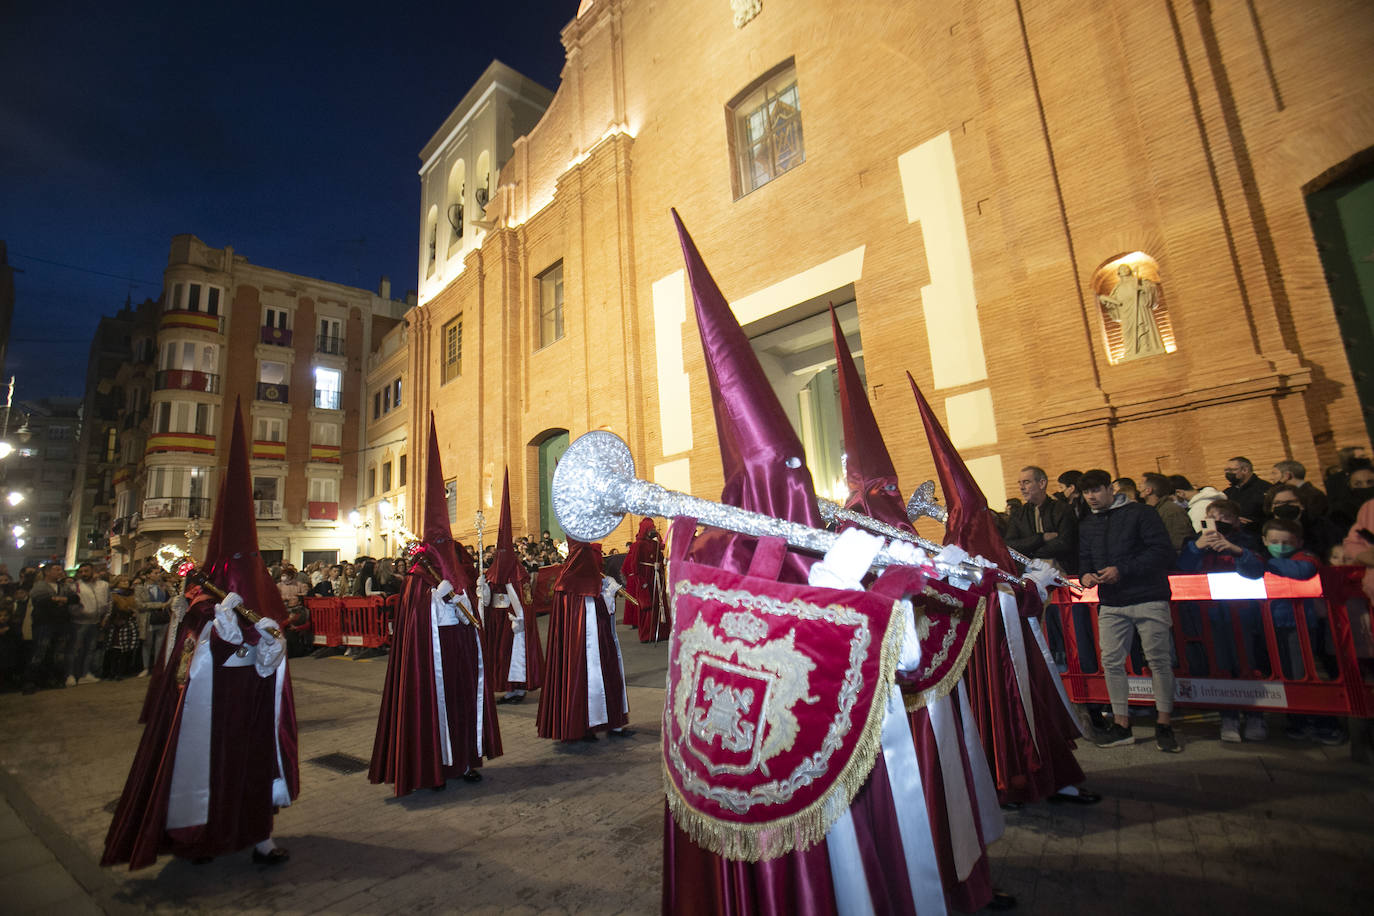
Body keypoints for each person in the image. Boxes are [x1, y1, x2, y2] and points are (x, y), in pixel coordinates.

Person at [662, 213, 1008, 915]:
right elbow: (741, 647)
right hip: (779, 760)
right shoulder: (717, 551)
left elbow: (902, 657)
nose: (797, 479)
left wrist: (906, 579)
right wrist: (843, 586)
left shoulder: (815, 533)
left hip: (855, 740)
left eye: (799, 465)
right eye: (786, 467)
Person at [103, 401, 297, 870]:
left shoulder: (259, 585)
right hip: (208, 703)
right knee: (205, 766)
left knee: (251, 767)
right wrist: (221, 621)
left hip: (252, 697)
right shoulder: (201, 595)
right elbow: (192, 645)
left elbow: (277, 643)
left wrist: (269, 640)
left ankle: (259, 836)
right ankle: (198, 836)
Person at [370, 417, 502, 795]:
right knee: (432, 706)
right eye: (438, 538)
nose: (445, 544)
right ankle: (433, 766)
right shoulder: (417, 576)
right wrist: (432, 598)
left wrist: (472, 595)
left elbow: (473, 611)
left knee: (462, 704)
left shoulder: (455, 564)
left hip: (459, 647)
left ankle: (463, 760)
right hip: (430, 655)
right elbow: (412, 619)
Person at [1077, 468, 1182, 753]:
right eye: (1087, 492)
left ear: (1111, 489)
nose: (1091, 497)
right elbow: (1084, 559)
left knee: (1158, 660)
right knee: (1111, 661)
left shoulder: (1141, 514)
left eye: (1096, 490)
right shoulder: (1088, 524)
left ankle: (1164, 723)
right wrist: (1086, 575)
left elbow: (1161, 551)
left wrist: (1122, 570)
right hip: (1112, 602)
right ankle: (1121, 724)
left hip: (1148, 596)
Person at [1236, 518, 1344, 745]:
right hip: (1270, 625)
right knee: (1286, 675)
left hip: (1301, 625)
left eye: (1287, 541)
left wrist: (1263, 563)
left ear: (1299, 542)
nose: (1280, 545)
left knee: (1306, 674)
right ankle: (1298, 719)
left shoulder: (1304, 558)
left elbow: (1304, 569)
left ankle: (1326, 723)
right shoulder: (1262, 558)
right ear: (1264, 540)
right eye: (1274, 541)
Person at [537, 539, 629, 742]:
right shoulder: (583, 583)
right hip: (592, 646)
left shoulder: (566, 580)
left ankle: (591, 723)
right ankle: (587, 723)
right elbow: (598, 612)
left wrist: (605, 588)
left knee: (587, 677)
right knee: (595, 676)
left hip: (586, 646)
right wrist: (609, 593)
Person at [484, 469, 543, 704]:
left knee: (514, 654)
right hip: (498, 620)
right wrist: (483, 590)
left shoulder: (518, 573)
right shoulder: (492, 570)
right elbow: (486, 599)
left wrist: (520, 617)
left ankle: (517, 688)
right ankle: (508, 687)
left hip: (511, 620)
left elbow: (523, 599)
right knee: (501, 655)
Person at [1004, 465, 1079, 574]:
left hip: (1061, 570)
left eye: (1026, 482)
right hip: (1028, 572)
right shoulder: (1019, 514)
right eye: (1019, 483)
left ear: (1042, 483)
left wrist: (1030, 551)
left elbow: (1065, 544)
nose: (1021, 487)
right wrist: (1041, 538)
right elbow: (1010, 546)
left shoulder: (1062, 510)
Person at [1097, 263, 1166, 360]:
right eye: (1122, 268)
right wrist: (1107, 301)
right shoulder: (1117, 287)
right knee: (1128, 333)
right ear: (1119, 273)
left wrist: (1141, 288)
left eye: (1126, 268)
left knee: (1142, 326)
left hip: (1139, 307)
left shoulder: (1138, 281)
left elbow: (1151, 288)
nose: (1124, 269)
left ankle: (1146, 347)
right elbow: (1116, 302)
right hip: (1126, 312)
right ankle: (1131, 351)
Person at [23, 563, 72, 694]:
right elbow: (39, 599)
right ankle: (30, 681)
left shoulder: (63, 586)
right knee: (39, 652)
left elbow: (75, 598)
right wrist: (59, 599)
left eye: (60, 569)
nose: (60, 572)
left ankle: (54, 679)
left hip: (61, 623)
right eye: (56, 569)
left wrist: (61, 599)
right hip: (44, 623)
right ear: (47, 572)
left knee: (58, 653)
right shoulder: (39, 586)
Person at [625, 519, 669, 642]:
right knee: (648, 605)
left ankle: (661, 632)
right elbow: (635, 565)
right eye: (650, 529)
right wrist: (641, 580)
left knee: (659, 604)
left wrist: (660, 563)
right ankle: (647, 634)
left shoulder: (655, 545)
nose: (652, 531)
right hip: (646, 577)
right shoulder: (638, 545)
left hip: (656, 575)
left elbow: (660, 557)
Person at [68, 562, 110, 686]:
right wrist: (82, 613)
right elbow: (72, 606)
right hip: (79, 623)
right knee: (76, 649)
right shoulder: (75, 587)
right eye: (81, 572)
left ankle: (85, 674)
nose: (84, 574)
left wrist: (105, 617)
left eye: (86, 571)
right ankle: (71, 674)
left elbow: (108, 602)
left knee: (90, 649)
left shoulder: (103, 585)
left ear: (93, 571)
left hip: (96, 622)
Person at [1140, 473, 1192, 552]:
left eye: (1141, 484)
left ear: (1148, 490)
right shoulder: (1152, 510)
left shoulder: (1171, 511)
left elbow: (1180, 543)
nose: (1139, 487)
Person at [103, 576, 140, 679]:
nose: (125, 583)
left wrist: (133, 612)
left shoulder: (131, 595)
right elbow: (110, 610)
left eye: (126, 581)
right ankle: (111, 671)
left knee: (125, 650)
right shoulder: (114, 595)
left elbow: (135, 607)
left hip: (128, 623)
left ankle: (121, 671)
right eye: (122, 581)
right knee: (115, 649)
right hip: (117, 624)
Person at [135, 573, 172, 679]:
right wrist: (160, 605)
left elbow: (174, 596)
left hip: (162, 618)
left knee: (159, 645)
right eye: (155, 573)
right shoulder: (141, 588)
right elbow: (140, 605)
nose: (158, 575)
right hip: (148, 618)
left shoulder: (163, 587)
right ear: (148, 575)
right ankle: (145, 667)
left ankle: (157, 667)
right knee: (147, 644)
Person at [1223, 457, 1268, 531]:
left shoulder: (1265, 488)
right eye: (1226, 470)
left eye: (1232, 470)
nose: (1228, 473)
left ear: (1245, 470)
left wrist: (1253, 524)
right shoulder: (1228, 492)